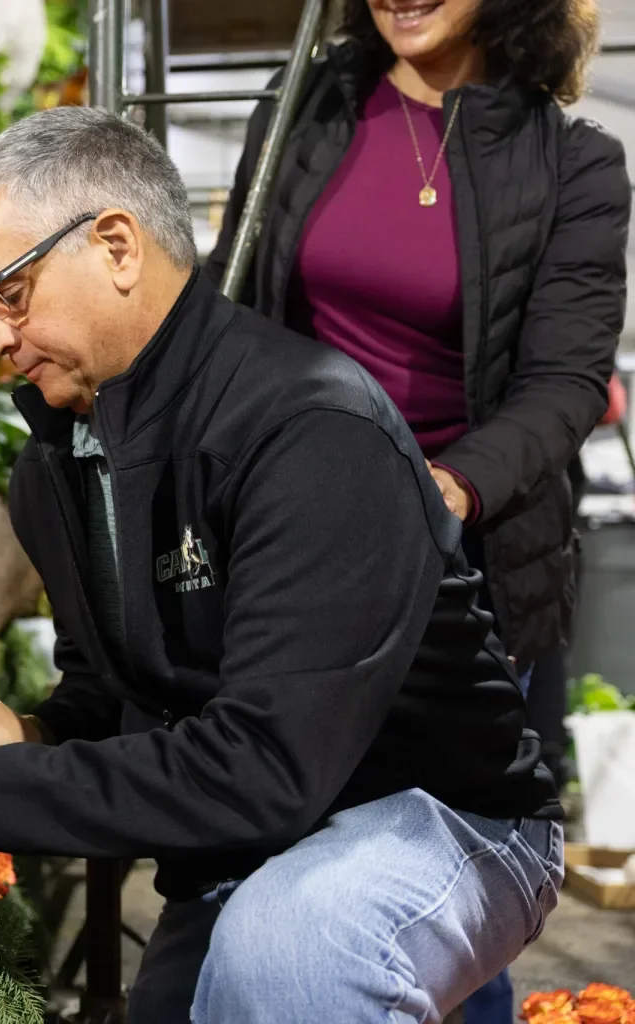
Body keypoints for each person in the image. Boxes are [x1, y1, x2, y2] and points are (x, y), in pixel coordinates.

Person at [0, 106, 564, 1024]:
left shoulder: (309, 430)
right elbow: (121, 690)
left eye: (8, 291)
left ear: (116, 245)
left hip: (442, 809)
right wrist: (29, 738)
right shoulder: (54, 466)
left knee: (288, 952)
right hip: (256, 826)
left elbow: (267, 764)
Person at [204, 2, 627, 1016]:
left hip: (459, 570)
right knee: (298, 857)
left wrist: (445, 488)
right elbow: (239, 307)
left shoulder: (574, 163)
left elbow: (565, 385)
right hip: (294, 552)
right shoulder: (308, 103)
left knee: (429, 868)